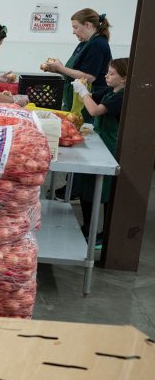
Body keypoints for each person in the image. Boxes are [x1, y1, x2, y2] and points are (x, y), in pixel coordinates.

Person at [73, 58, 128, 244]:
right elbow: (93, 97)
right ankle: (88, 227)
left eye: (111, 74)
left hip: (110, 147)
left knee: (102, 191)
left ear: (125, 79)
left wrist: (82, 93)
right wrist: (83, 86)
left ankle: (100, 233)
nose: (106, 76)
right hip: (100, 141)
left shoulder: (121, 97)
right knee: (87, 187)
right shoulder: (111, 91)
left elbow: (95, 110)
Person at [41, 8, 113, 112]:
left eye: (75, 27)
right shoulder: (84, 44)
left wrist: (61, 68)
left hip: (87, 102)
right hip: (73, 99)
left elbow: (89, 77)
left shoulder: (97, 44)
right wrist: (57, 69)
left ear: (87, 25)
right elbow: (74, 72)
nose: (73, 32)